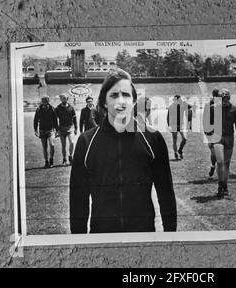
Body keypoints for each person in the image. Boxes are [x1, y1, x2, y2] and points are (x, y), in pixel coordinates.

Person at [69, 69, 177, 234]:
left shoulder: (152, 139)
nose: (121, 101)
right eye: (114, 95)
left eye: (126, 95)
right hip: (101, 238)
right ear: (104, 102)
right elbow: (78, 199)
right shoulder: (86, 142)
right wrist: (79, 241)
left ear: (134, 100)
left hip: (143, 236)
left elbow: (166, 192)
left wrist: (171, 235)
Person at [203, 88, 236, 197]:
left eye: (224, 99)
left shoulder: (235, 110)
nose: (222, 101)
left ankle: (224, 186)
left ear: (228, 98)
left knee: (226, 163)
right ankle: (220, 184)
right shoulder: (213, 109)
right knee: (220, 162)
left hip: (229, 138)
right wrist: (209, 138)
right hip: (217, 137)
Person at [33, 95, 58, 168]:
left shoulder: (52, 109)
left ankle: (51, 160)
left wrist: (57, 130)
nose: (45, 102)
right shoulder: (38, 109)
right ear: (42, 101)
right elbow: (35, 120)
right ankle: (46, 162)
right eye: (44, 100)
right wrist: (35, 130)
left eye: (46, 100)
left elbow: (55, 120)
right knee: (44, 147)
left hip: (50, 130)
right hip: (42, 131)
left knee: (52, 145)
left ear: (48, 101)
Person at [55, 94, 78, 165]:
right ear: (61, 99)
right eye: (62, 98)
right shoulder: (58, 108)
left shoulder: (71, 108)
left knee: (72, 143)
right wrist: (57, 130)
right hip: (62, 128)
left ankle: (70, 157)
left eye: (65, 98)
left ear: (67, 99)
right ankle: (64, 159)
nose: (64, 99)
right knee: (63, 145)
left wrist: (76, 128)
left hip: (70, 128)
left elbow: (74, 118)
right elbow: (55, 119)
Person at [166, 95, 190, 160]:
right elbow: (168, 117)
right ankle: (175, 152)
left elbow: (190, 107)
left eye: (181, 99)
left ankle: (180, 150)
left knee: (184, 139)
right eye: (180, 99)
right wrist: (169, 126)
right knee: (174, 140)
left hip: (181, 125)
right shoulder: (171, 107)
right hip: (173, 125)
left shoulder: (183, 105)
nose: (181, 100)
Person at [203, 88, 220, 178]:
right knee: (214, 151)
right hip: (213, 131)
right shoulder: (210, 105)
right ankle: (214, 166)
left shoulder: (221, 104)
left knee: (215, 151)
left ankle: (214, 166)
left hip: (214, 131)